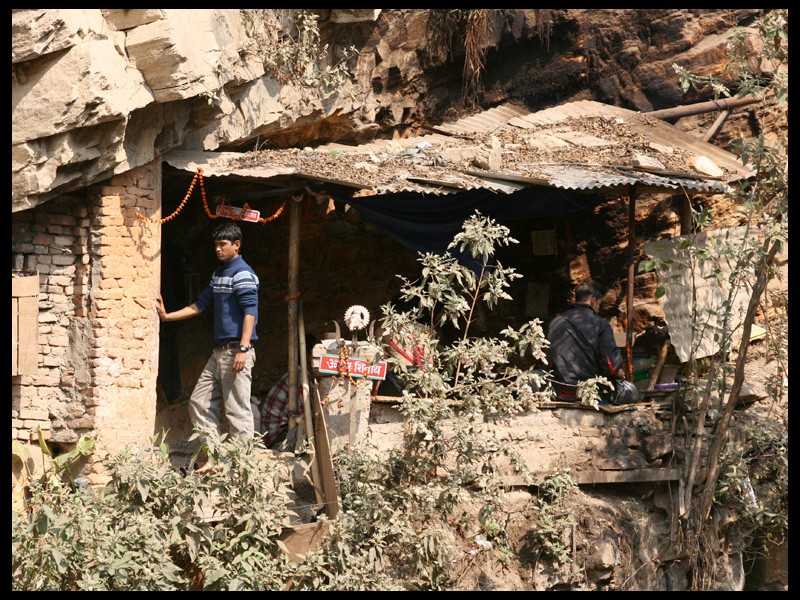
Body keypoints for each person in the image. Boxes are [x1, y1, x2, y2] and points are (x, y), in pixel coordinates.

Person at [156, 222, 260, 466]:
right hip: (219, 352)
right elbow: (200, 305)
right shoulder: (219, 274)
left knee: (237, 410)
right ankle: (216, 456)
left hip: (236, 350)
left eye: (223, 244)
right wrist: (167, 316)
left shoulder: (243, 274)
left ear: (237, 245)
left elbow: (249, 313)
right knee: (199, 401)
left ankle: (243, 467)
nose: (218, 249)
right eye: (216, 244)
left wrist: (243, 349)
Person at [546, 279, 639, 405]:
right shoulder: (600, 324)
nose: (598, 309)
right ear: (593, 300)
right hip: (587, 391)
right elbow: (610, 363)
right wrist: (618, 372)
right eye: (599, 304)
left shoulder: (555, 323)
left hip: (558, 389)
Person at [260, 333, 318, 450]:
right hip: (277, 438)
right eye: (315, 358)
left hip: (275, 434)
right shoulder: (300, 376)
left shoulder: (300, 375)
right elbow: (305, 415)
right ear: (308, 356)